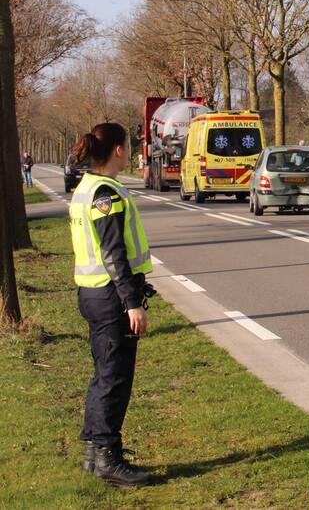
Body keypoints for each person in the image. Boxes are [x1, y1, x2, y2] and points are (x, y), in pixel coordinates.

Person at [68, 123, 156, 488]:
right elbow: (113, 252)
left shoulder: (87, 187)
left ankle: (94, 451)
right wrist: (132, 302)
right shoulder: (105, 194)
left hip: (92, 293)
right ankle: (108, 457)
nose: (130, 150)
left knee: (103, 375)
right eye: (129, 145)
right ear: (119, 150)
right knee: (114, 379)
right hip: (110, 297)